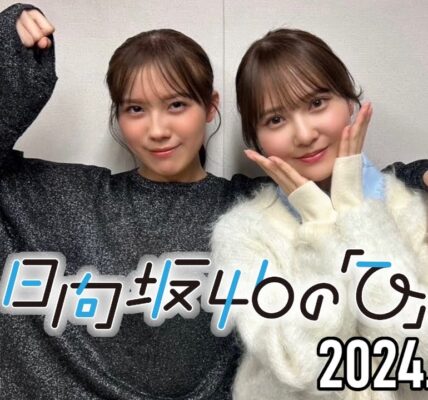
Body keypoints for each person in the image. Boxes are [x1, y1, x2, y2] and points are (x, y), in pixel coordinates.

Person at [0, 4, 273, 399]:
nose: (157, 130)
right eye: (136, 109)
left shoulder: (253, 206)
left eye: (177, 105)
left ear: (210, 106)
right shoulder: (70, 200)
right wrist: (10, 49)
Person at [211, 28, 428, 399]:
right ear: (257, 139)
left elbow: (419, 349)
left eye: (317, 103)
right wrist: (321, 228)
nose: (304, 133)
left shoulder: (407, 207)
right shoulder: (243, 232)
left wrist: (357, 213)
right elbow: (297, 364)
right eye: (275, 120)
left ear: (349, 102)